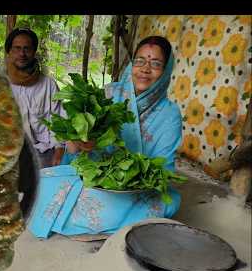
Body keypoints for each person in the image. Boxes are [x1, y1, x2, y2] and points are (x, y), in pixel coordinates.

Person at [28, 36, 183, 239]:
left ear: (165, 71)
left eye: (155, 64)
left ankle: (111, 220)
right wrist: (82, 143)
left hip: (136, 189)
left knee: (166, 202)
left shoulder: (169, 114)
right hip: (94, 176)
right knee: (41, 185)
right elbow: (77, 150)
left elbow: (164, 171)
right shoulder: (110, 93)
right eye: (140, 61)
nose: (145, 69)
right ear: (132, 64)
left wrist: (129, 177)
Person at [5, 28, 65, 168]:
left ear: (34, 52)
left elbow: (59, 121)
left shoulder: (48, 85)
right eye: (17, 48)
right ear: (9, 52)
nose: (22, 54)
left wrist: (59, 151)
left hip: (43, 155)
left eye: (27, 48)